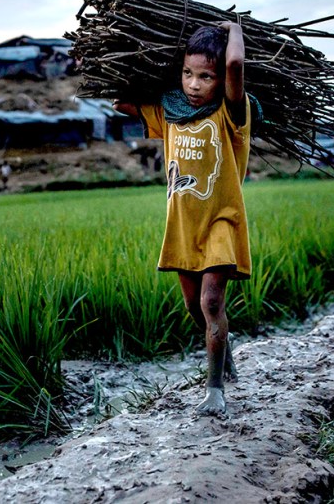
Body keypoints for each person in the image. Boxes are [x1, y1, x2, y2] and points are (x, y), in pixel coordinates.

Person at [113, 22, 249, 416]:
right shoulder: (169, 111)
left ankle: (214, 389)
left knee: (210, 300)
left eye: (206, 76)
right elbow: (122, 101)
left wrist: (234, 28)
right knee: (194, 306)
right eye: (188, 74)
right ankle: (225, 350)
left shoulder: (231, 111)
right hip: (183, 224)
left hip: (220, 221)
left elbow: (236, 62)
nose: (194, 84)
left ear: (220, 78)